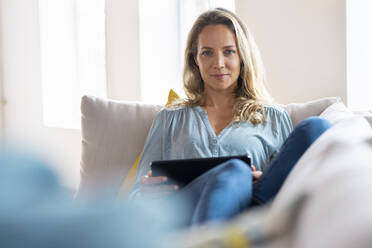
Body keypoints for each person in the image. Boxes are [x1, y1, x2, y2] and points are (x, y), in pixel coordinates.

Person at [130, 8, 331, 226]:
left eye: (229, 51)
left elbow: (287, 182)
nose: (218, 63)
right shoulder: (170, 118)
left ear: (242, 56)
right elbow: (134, 197)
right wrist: (144, 193)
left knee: (317, 127)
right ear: (195, 58)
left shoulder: (272, 117)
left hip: (251, 208)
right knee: (235, 170)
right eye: (207, 52)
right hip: (185, 215)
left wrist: (263, 179)